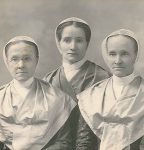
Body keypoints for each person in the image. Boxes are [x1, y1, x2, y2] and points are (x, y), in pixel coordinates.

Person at [43, 17, 110, 150]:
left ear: (87, 42)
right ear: (58, 42)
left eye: (79, 40)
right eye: (67, 40)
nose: (73, 46)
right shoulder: (48, 80)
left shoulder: (102, 77)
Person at [78, 29, 144, 150]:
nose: (118, 61)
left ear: (135, 55)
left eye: (124, 54)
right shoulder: (91, 96)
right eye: (112, 54)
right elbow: (83, 143)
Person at [0, 36, 76, 150]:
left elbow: (64, 142)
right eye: (14, 59)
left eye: (27, 58)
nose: (21, 65)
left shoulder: (56, 97)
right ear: (7, 61)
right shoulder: (1, 97)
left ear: (36, 60)